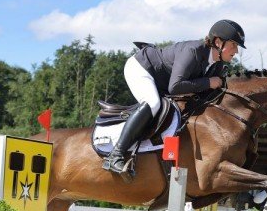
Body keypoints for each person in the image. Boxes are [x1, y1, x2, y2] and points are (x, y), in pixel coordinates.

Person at [102, 19, 246, 179]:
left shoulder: (217, 65)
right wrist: (208, 82)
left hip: (163, 81)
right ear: (218, 42)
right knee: (153, 103)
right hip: (142, 68)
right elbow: (176, 87)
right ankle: (115, 155)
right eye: (234, 45)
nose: (236, 51)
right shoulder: (193, 51)